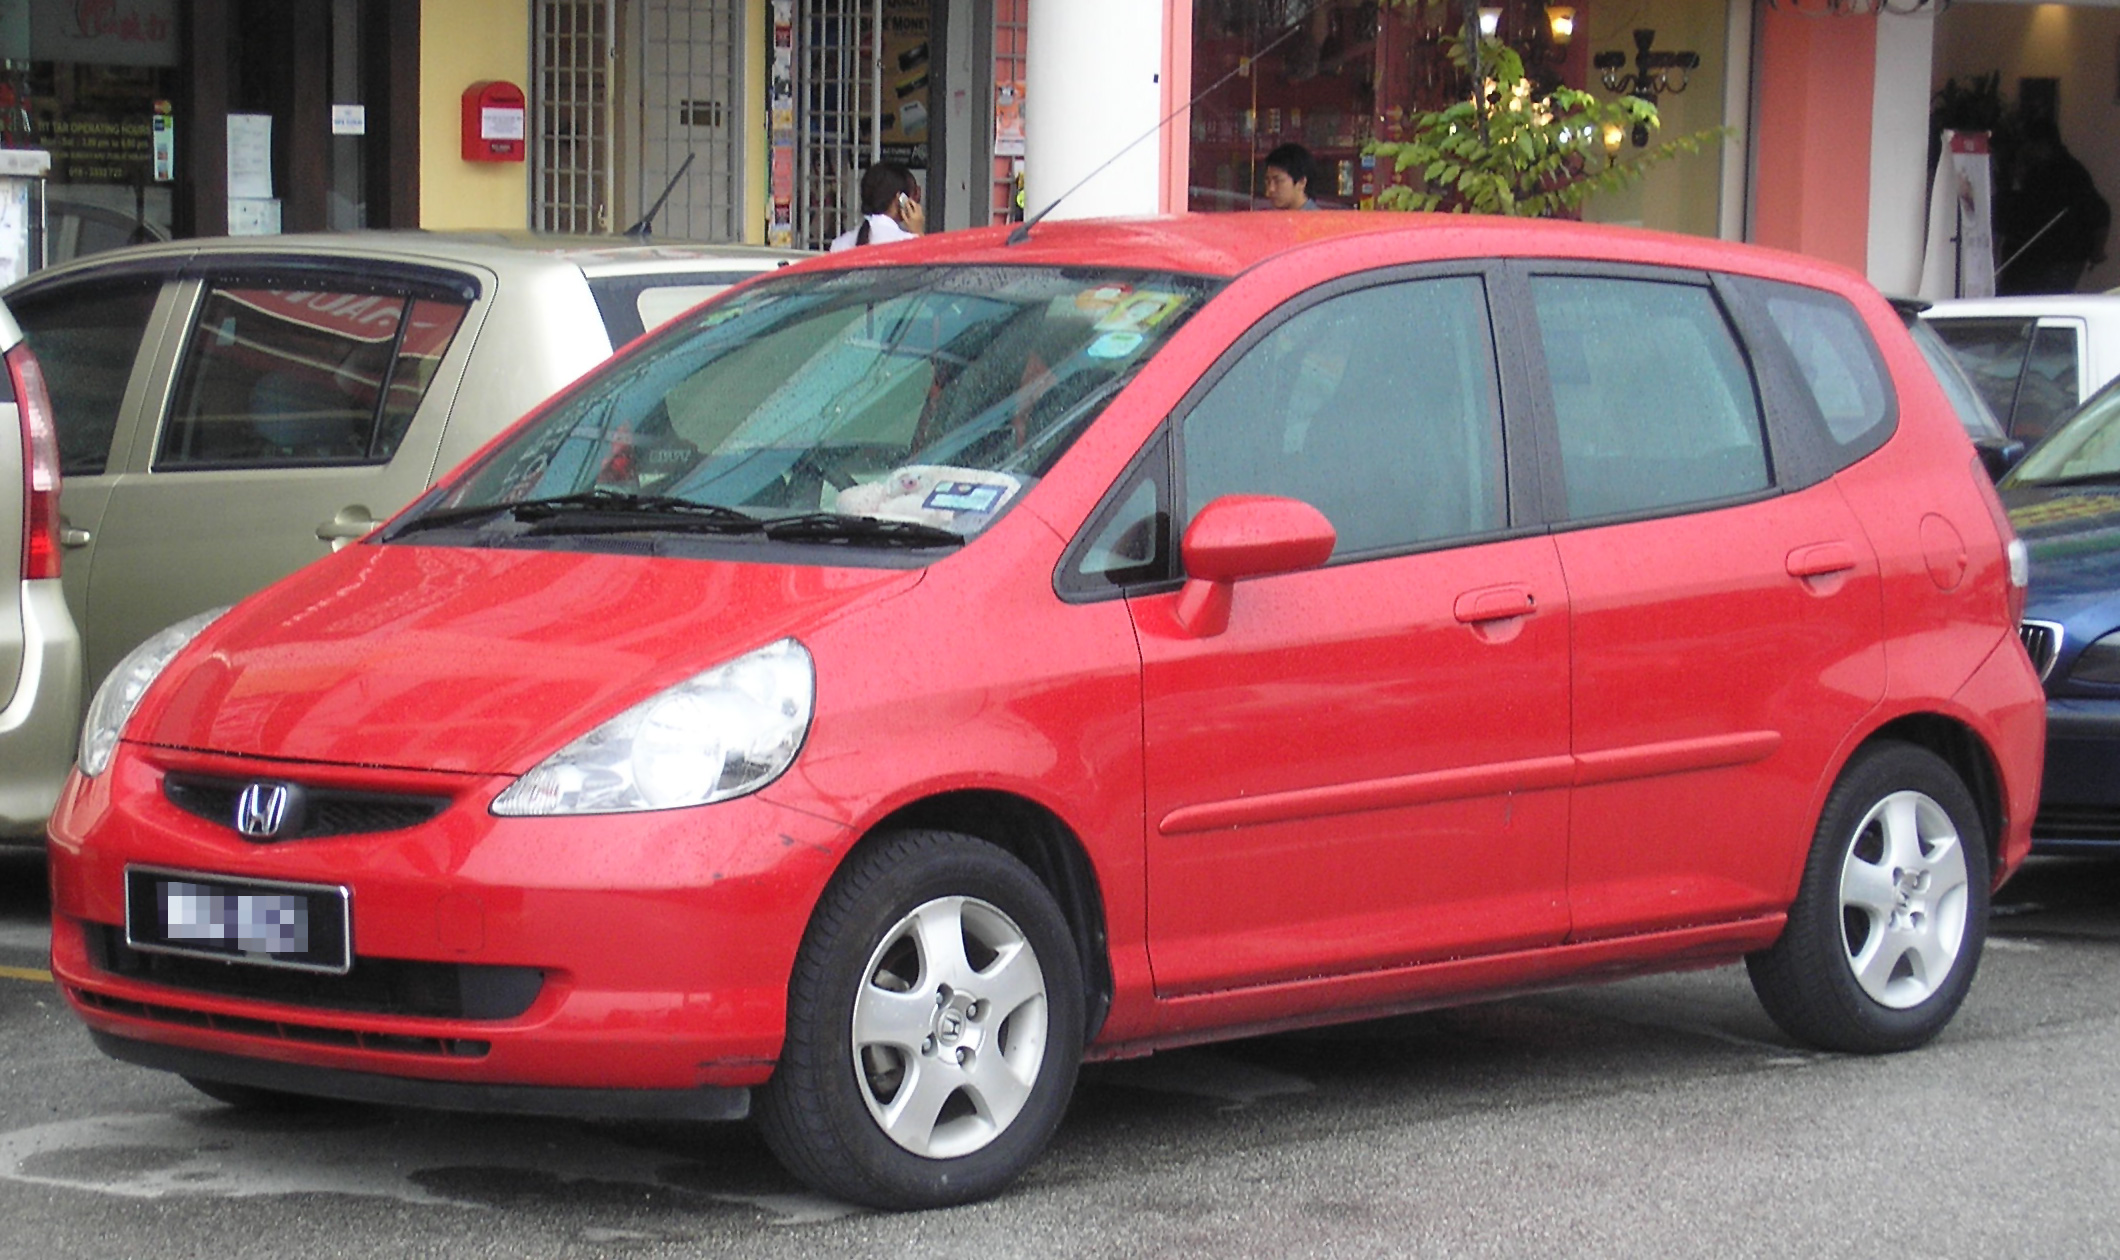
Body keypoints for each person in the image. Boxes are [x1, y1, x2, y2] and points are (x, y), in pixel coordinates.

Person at [1996, 118, 2110, 294]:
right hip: (2032, 259)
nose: (2024, 150)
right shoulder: (2034, 171)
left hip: (2056, 260)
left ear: (2041, 144)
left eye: (2027, 145)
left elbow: (2099, 212)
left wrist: (2097, 251)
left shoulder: (2069, 174)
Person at [829, 162, 925, 252]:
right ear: (900, 198)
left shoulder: (839, 244)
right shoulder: (908, 243)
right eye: (913, 194)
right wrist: (918, 232)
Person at [1262, 143, 1320, 211]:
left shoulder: (1316, 220)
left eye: (1278, 181)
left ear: (1301, 182)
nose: (1271, 189)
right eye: (1268, 182)